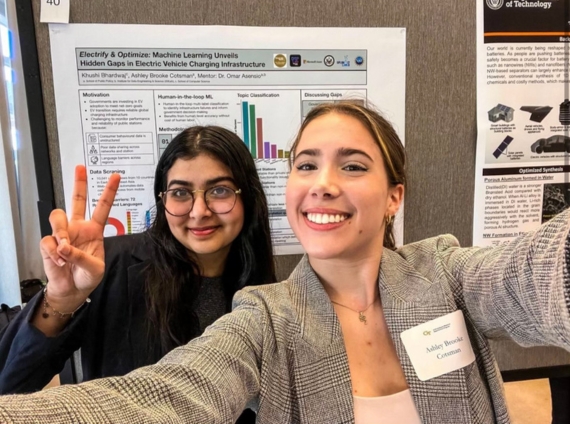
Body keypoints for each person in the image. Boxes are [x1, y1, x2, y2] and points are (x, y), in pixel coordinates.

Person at [0, 100, 569, 424]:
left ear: (395, 195)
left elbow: (535, 274)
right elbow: (160, 398)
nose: (322, 184)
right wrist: (62, 300)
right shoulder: (263, 315)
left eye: (351, 166)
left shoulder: (446, 274)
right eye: (305, 164)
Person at [0, 126, 275, 423]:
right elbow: (10, 386)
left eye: (219, 190)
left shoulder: (263, 285)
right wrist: (62, 299)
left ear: (247, 196)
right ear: (162, 200)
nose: (199, 211)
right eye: (180, 193)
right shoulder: (109, 264)